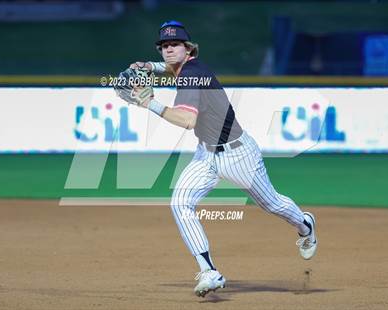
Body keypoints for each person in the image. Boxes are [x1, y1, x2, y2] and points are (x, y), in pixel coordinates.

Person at [127, 21, 317, 298]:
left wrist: (149, 104)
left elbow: (187, 120)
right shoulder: (188, 68)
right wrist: (149, 66)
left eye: (174, 45)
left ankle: (305, 225)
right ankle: (209, 271)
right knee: (180, 203)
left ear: (188, 48)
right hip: (206, 154)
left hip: (238, 155)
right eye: (164, 46)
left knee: (271, 203)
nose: (169, 50)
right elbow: (170, 68)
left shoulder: (192, 75)